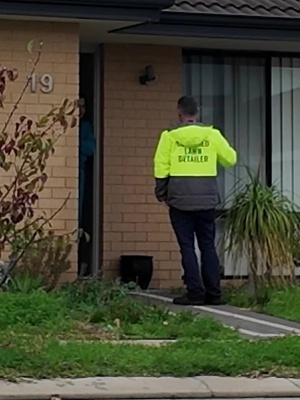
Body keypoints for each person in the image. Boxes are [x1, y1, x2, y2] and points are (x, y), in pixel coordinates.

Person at [154, 96, 237, 306]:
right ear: (197, 113)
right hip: (207, 200)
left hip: (180, 200)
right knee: (208, 246)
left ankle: (195, 292)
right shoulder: (212, 134)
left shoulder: (169, 136)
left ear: (179, 113)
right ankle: (214, 293)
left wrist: (162, 193)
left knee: (187, 247)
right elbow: (230, 159)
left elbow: (161, 166)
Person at [78, 98, 96, 226]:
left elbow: (90, 148)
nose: (81, 110)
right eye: (79, 106)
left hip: (80, 170)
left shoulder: (85, 126)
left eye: (83, 107)